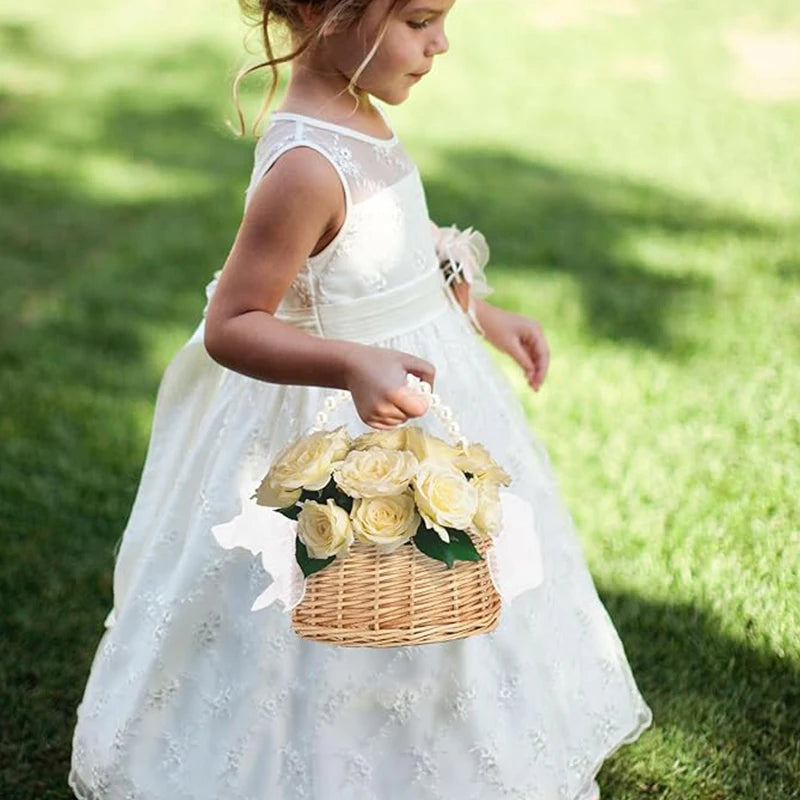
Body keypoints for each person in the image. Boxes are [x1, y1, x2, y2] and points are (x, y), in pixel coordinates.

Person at [68, 1, 653, 798]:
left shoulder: (359, 108)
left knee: (443, 606)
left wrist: (483, 315)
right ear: (326, 12)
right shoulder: (305, 165)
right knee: (336, 614)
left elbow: (397, 259)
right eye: (419, 20)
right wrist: (349, 365)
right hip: (339, 435)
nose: (441, 43)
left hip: (412, 409)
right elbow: (231, 324)